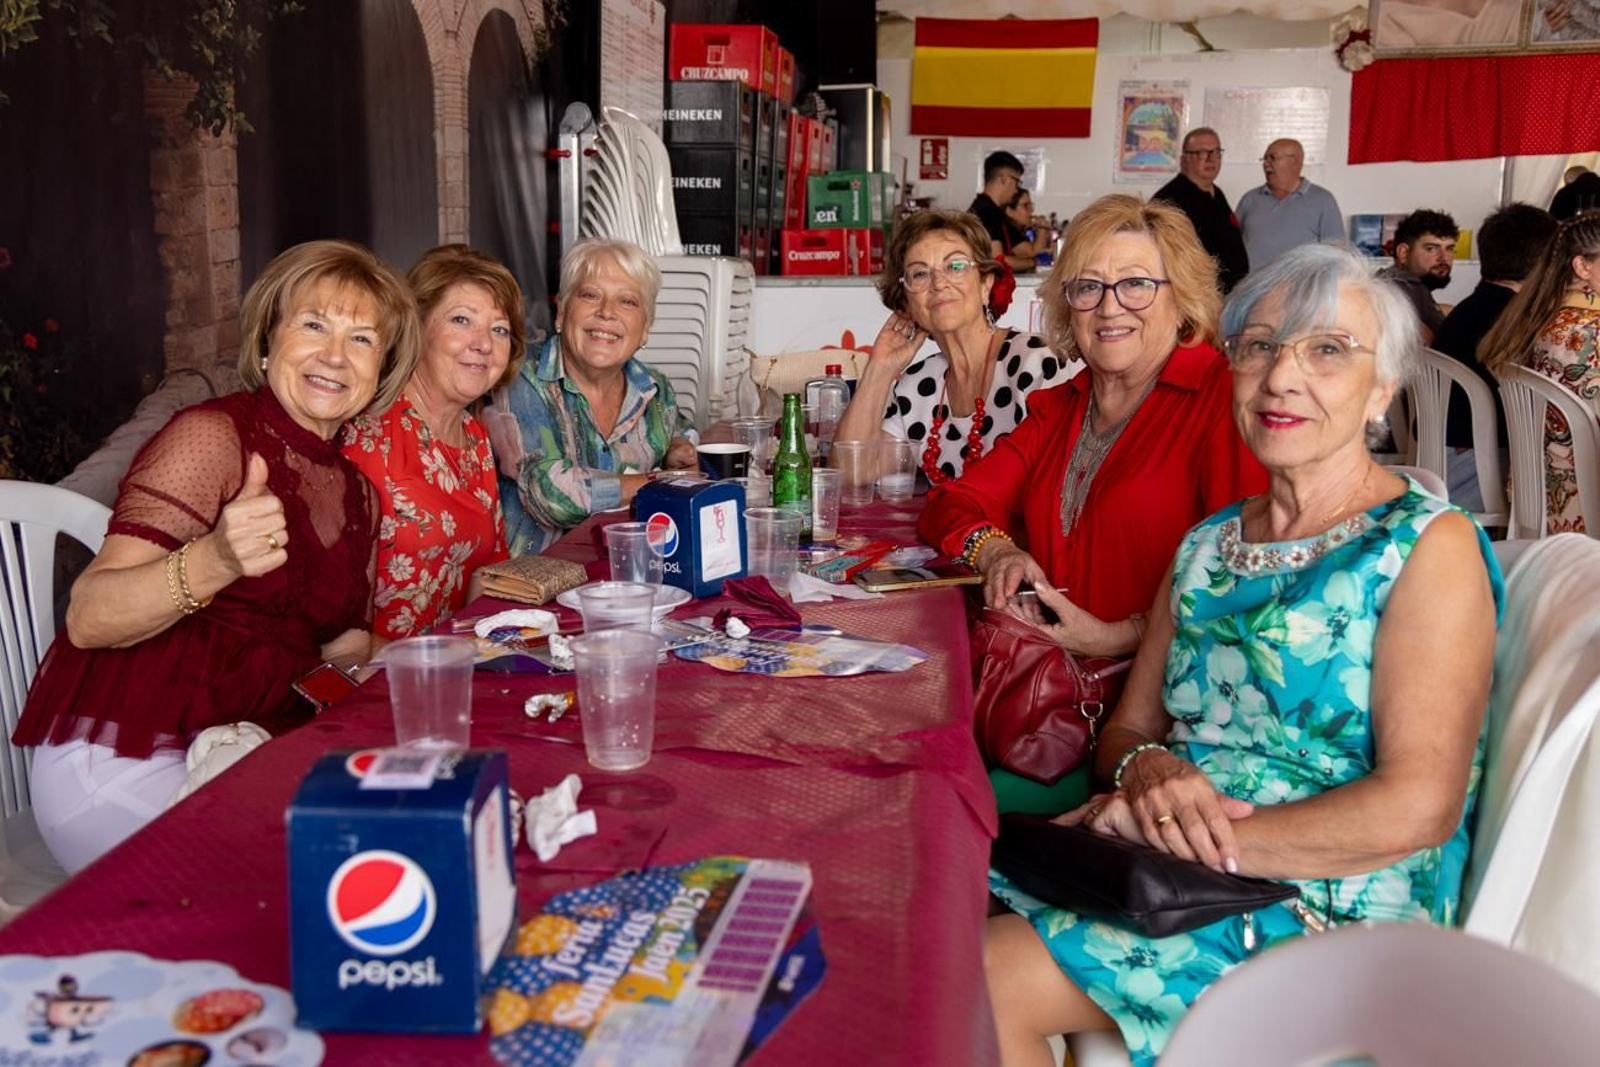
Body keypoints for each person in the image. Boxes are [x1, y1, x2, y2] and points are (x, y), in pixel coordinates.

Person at [984, 242, 1503, 1067]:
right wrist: (1150, 773)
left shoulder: (1424, 547)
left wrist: (1179, 840)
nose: (1281, 377)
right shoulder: (1208, 546)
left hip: (1326, 902)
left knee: (980, 982)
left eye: (1326, 349)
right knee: (934, 909)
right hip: (1176, 873)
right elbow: (1128, 732)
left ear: (1383, 390)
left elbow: (1419, 807)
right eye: (1258, 346)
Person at [12, 239, 420, 873]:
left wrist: (436, 660)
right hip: (126, 751)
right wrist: (217, 559)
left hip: (243, 744)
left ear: (379, 373)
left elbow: (341, 653)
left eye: (362, 340)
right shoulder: (213, 436)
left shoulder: (358, 494)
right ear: (266, 344)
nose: (335, 356)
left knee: (412, 825)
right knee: (321, 870)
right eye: (313, 325)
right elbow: (89, 616)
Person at [918, 195, 1267, 814]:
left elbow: (1245, 589)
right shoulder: (1061, 406)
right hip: (1032, 694)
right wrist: (997, 548)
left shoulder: (1219, 399)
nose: (1110, 308)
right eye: (1088, 288)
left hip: (1144, 721)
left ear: (1180, 296)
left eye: (1136, 284)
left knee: (934, 801)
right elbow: (954, 502)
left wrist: (1117, 636)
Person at [342, 245, 523, 641]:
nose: (483, 344)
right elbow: (323, 607)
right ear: (416, 328)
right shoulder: (369, 434)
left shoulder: (474, 436)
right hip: (370, 677)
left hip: (455, 666)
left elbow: (489, 569)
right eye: (462, 320)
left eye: (499, 329)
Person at [492, 238, 697, 556]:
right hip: (533, 588)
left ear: (645, 328)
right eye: (590, 295)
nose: (606, 313)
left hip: (631, 573)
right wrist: (660, 482)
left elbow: (683, 431)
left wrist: (679, 446)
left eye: (627, 302)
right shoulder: (521, 378)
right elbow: (548, 493)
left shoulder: (653, 387)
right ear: (562, 310)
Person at [833, 210, 1061, 485]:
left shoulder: (1036, 363)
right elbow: (851, 474)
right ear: (906, 302)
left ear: (985, 284)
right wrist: (879, 370)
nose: (939, 283)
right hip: (951, 528)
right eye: (920, 273)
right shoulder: (918, 385)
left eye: (955, 266)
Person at [1433, 203, 1559, 510]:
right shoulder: (1517, 321)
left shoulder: (1468, 308)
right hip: (1480, 466)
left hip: (1443, 453)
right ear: (1546, 263)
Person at [1481, 210, 1600, 533]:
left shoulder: (1532, 319)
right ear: (1582, 266)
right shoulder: (1592, 331)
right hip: (1585, 500)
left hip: (1533, 491)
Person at [1152, 127, 1249, 293]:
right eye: (1202, 152)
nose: (1211, 159)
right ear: (1185, 159)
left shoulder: (1216, 193)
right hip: (1196, 299)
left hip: (1228, 297)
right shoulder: (1169, 200)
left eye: (1216, 152)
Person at [1234, 138, 1344, 270]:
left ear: (1295, 162)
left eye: (1272, 157)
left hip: (1301, 290)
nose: (1265, 164)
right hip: (1252, 289)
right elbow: (1231, 244)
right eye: (1264, 159)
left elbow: (1336, 255)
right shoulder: (1249, 199)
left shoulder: (1323, 200)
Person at [1376, 209, 1458, 344]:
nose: (1444, 258)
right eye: (1431, 248)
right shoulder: (1411, 287)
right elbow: (1450, 343)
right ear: (1403, 253)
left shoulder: (1385, 281)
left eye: (1449, 249)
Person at [969, 150, 1035, 273]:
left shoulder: (992, 210)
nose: (1016, 190)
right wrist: (1030, 263)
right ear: (1004, 179)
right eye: (1017, 182)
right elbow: (996, 260)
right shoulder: (986, 212)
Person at [1001, 186, 1043, 273]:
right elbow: (1033, 252)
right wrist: (1043, 228)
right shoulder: (1009, 230)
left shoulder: (1018, 230)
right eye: (1026, 206)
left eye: (1030, 206)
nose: (1031, 211)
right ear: (1010, 211)